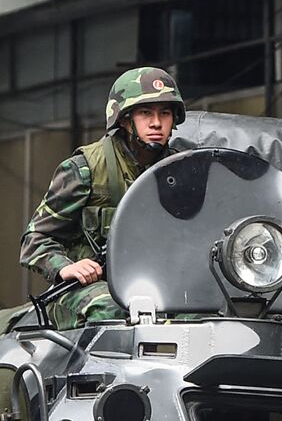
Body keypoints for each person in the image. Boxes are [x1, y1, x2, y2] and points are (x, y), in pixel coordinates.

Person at [18, 66, 184, 329]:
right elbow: (34, 239)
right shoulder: (85, 169)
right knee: (112, 309)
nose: (156, 123)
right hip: (87, 290)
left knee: (205, 313)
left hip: (159, 285)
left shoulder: (183, 168)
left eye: (164, 113)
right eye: (145, 113)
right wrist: (66, 268)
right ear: (125, 120)